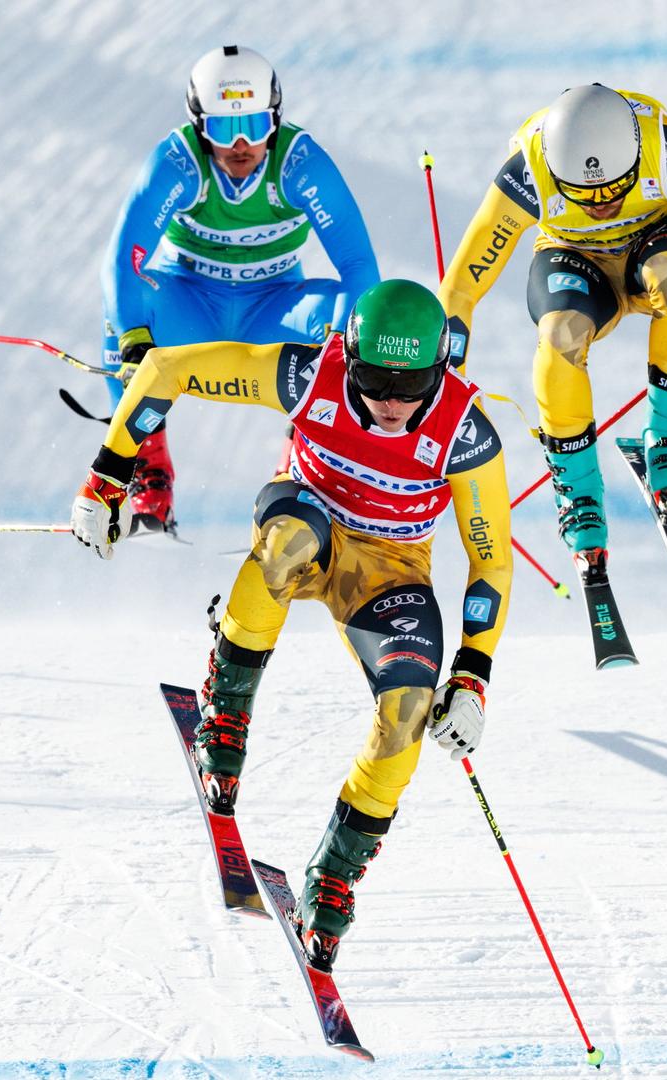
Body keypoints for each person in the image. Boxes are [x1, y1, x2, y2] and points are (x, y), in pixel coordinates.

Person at [69, 280, 512, 972]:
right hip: (307, 520)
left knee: (409, 710)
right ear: (349, 357)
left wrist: (473, 675)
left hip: (389, 575)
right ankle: (228, 709)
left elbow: (490, 563)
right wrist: (107, 475)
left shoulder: (466, 431)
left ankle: (333, 873)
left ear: (442, 368)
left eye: (412, 385)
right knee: (287, 546)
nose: (393, 403)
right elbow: (166, 369)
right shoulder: (312, 375)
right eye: (374, 380)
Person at [436, 83, 667, 596]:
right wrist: (443, 386)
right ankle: (578, 491)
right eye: (585, 194)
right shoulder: (528, 169)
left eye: (615, 187)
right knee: (559, 336)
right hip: (573, 256)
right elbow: (461, 288)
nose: (603, 203)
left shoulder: (666, 147)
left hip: (656, 239)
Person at [98, 45, 381, 534]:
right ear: (197, 124)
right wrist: (134, 343)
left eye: (255, 124)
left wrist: (341, 358)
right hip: (189, 302)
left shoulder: (300, 164)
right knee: (123, 317)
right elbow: (124, 259)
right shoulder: (178, 163)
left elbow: (359, 267)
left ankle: (302, 471)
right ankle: (146, 469)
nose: (242, 145)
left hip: (272, 306)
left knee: (354, 318)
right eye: (224, 130)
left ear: (275, 117)